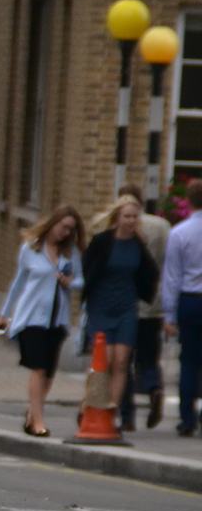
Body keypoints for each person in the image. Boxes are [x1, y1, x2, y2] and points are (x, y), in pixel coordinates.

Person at [0, 205, 86, 437]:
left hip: (57, 320)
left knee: (49, 372)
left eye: (70, 229)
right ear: (52, 223)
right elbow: (18, 283)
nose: (65, 233)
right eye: (62, 227)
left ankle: (32, 413)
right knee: (38, 368)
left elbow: (81, 281)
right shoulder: (31, 248)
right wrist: (5, 314)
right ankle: (38, 420)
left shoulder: (71, 253)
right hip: (32, 317)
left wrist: (70, 282)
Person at [82, 194, 160, 433]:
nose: (130, 221)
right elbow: (87, 269)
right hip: (101, 306)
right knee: (102, 361)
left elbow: (150, 273)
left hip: (127, 307)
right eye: (127, 216)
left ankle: (111, 411)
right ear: (117, 217)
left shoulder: (138, 245)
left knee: (122, 361)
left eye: (135, 217)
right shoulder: (102, 241)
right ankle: (87, 405)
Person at [117, 184, 171, 431]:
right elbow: (169, 263)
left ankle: (127, 416)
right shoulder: (160, 226)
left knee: (123, 361)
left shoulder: (120, 226)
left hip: (127, 303)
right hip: (154, 303)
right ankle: (154, 387)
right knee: (149, 357)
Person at [161, 179, 202, 436]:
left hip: (189, 300)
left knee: (188, 361)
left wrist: (169, 314)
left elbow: (172, 277)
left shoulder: (179, 233)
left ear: (188, 201)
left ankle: (187, 418)